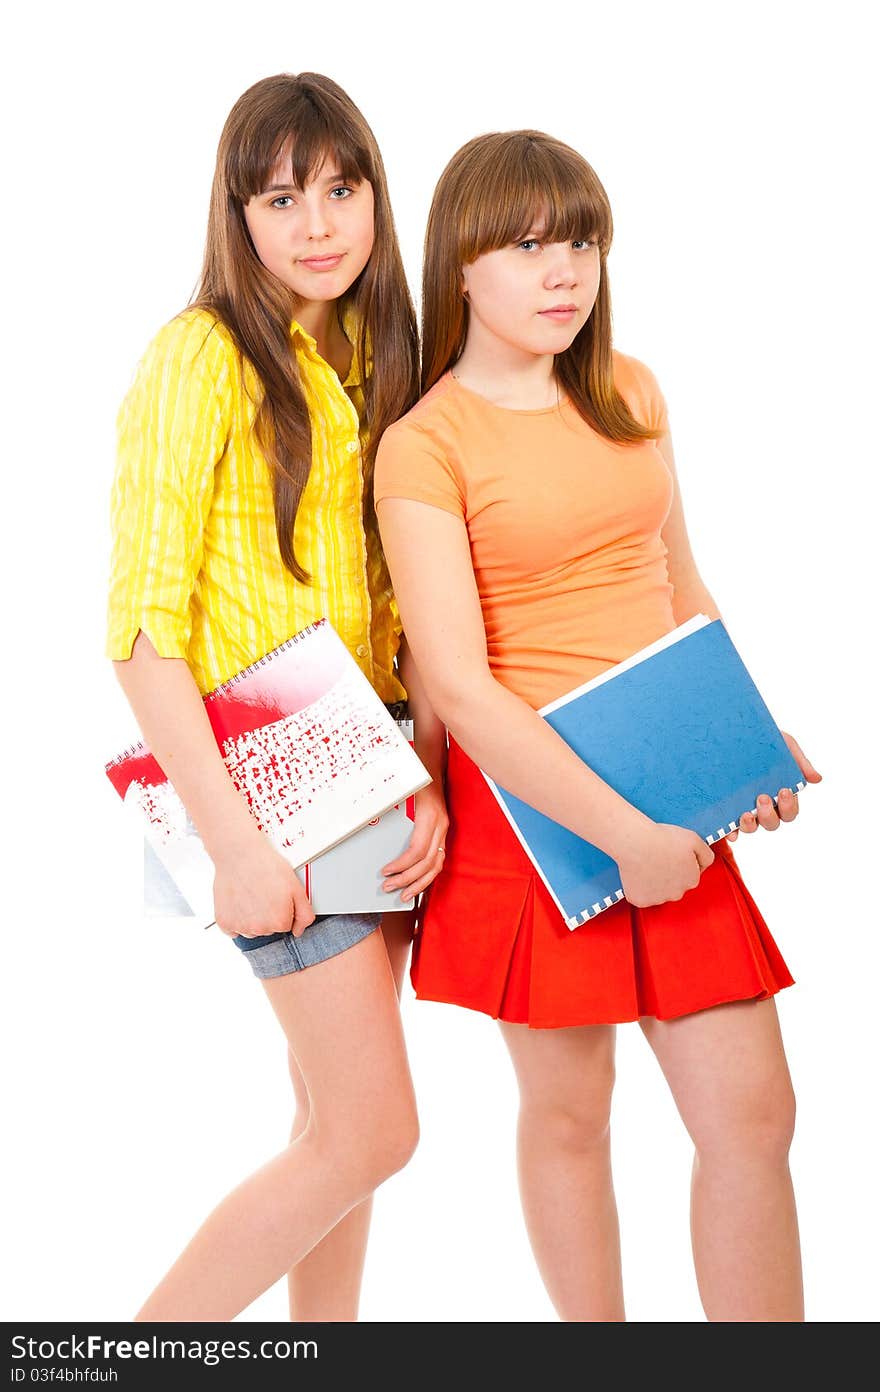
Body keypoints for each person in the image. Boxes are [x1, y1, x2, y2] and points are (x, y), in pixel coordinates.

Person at [374, 129, 821, 1322]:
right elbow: (460, 689)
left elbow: (682, 588)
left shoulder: (628, 389)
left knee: (753, 1116)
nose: (564, 271)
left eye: (581, 242)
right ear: (460, 264)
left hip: (673, 799)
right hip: (542, 824)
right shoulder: (424, 446)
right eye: (527, 246)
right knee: (571, 1118)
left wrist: (751, 742)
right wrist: (619, 831)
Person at [106, 72, 448, 1322]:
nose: (318, 222)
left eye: (342, 188)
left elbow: (392, 613)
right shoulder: (199, 354)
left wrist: (427, 784)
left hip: (366, 769)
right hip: (259, 778)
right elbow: (142, 631)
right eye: (282, 194)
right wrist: (239, 849)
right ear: (236, 211)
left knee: (329, 1131)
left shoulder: (363, 355)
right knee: (371, 1134)